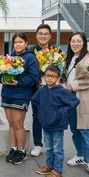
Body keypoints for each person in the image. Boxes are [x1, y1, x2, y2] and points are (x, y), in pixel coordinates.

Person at [0, 32, 39, 165]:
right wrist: (4, 79)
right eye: (15, 42)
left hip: (21, 96)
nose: (18, 44)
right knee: (10, 124)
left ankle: (22, 151)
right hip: (7, 94)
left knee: (18, 124)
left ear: (26, 44)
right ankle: (13, 148)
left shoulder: (30, 58)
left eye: (21, 42)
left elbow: (33, 77)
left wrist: (18, 83)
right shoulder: (8, 58)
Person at [32, 65, 79, 177]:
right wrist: (41, 113)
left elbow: (74, 101)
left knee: (57, 148)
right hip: (46, 124)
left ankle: (58, 170)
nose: (49, 79)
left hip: (57, 125)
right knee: (48, 147)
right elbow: (34, 100)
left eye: (53, 76)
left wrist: (62, 112)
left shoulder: (61, 91)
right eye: (47, 76)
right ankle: (49, 166)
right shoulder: (42, 91)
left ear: (58, 79)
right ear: (44, 77)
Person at [64, 32, 89, 177]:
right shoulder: (70, 58)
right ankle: (80, 155)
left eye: (78, 41)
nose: (75, 44)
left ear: (84, 43)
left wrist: (71, 86)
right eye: (73, 41)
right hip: (71, 100)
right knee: (75, 130)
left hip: (84, 100)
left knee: (86, 131)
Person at [29, 24, 54, 157]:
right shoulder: (30, 51)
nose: (43, 36)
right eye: (40, 34)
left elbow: (61, 71)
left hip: (52, 91)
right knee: (37, 117)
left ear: (50, 36)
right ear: (36, 35)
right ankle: (38, 145)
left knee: (52, 117)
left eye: (46, 34)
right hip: (36, 91)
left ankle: (52, 146)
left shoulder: (56, 52)